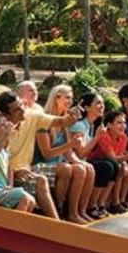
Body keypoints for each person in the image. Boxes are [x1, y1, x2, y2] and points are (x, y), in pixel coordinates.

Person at [0, 92, 82, 219]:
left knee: (69, 169)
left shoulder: (32, 116)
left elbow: (61, 122)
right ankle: (56, 223)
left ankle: (60, 213)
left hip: (28, 168)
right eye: (17, 110)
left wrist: (73, 116)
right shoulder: (0, 128)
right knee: (41, 180)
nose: (23, 110)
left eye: (22, 105)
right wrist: (15, 172)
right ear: (6, 115)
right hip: (8, 175)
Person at [35, 85, 93, 224]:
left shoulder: (65, 121)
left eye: (71, 98)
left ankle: (78, 212)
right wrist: (71, 145)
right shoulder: (44, 121)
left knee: (86, 168)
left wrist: (79, 161)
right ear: (56, 98)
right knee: (67, 168)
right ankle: (60, 209)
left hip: (59, 162)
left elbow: (68, 151)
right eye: (67, 97)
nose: (70, 101)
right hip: (40, 164)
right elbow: (47, 154)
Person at [69, 93, 118, 218]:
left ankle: (99, 203)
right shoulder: (79, 126)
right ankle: (89, 207)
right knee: (105, 167)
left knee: (113, 165)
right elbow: (80, 153)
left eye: (102, 103)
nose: (102, 106)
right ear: (87, 107)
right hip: (74, 162)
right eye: (98, 103)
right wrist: (97, 138)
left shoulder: (91, 125)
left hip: (85, 161)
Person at [90, 109, 128, 213]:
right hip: (98, 162)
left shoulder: (123, 137)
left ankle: (120, 200)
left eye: (124, 123)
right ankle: (109, 203)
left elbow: (120, 154)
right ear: (109, 125)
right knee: (118, 167)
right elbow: (113, 158)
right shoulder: (104, 136)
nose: (123, 126)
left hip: (112, 164)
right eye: (119, 123)